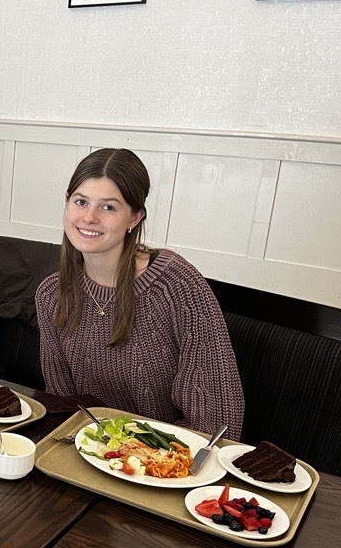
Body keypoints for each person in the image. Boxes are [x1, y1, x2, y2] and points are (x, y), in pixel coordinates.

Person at [35, 148, 244, 439]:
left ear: (134, 218)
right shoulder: (51, 295)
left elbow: (218, 423)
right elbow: (63, 407)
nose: (89, 217)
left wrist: (136, 455)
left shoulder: (178, 286)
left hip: (167, 463)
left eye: (108, 207)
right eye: (80, 202)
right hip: (88, 456)